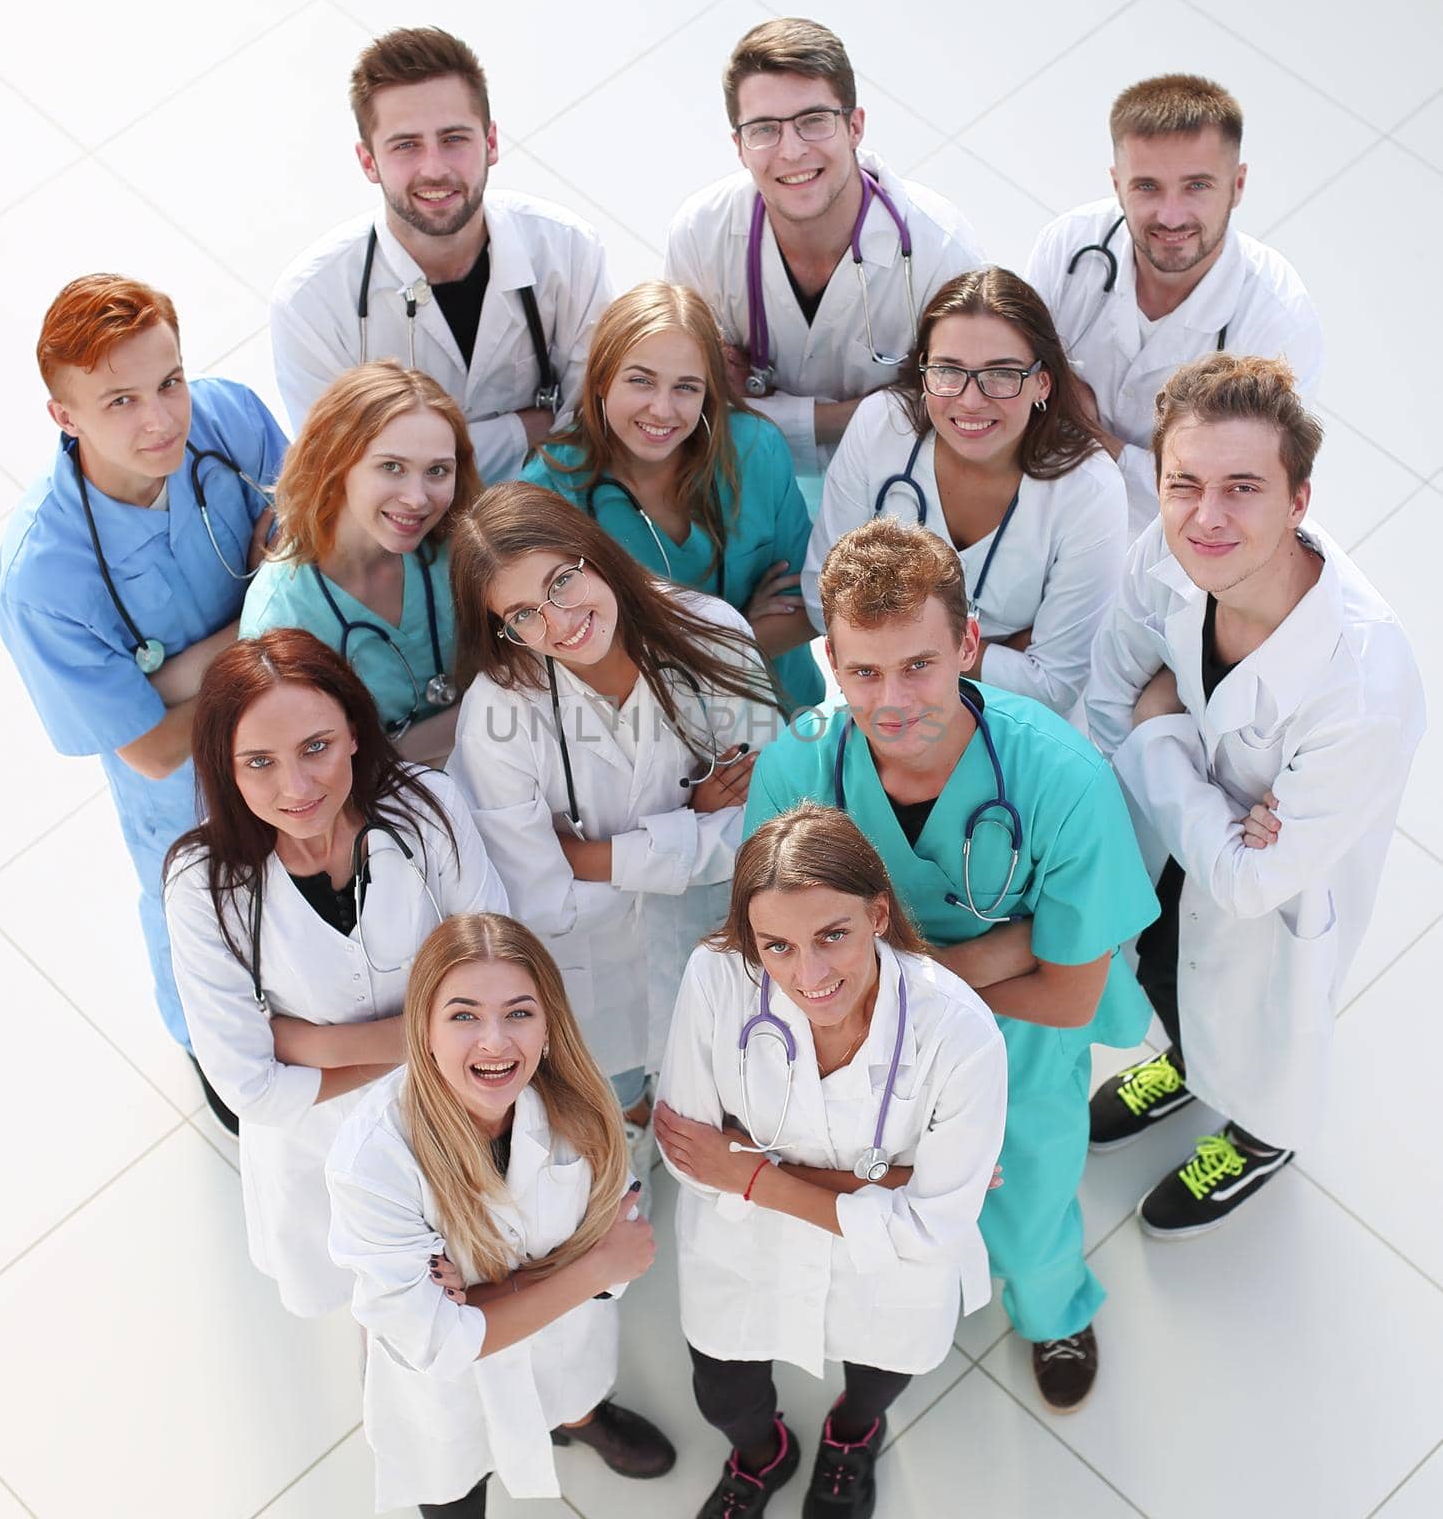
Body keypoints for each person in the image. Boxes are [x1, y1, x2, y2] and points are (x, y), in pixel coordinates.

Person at [744, 518, 1159, 1412]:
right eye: (863, 671)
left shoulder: (1061, 781)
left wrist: (900, 964)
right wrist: (1005, 942)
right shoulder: (801, 767)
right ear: (832, 660)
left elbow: (1067, 992)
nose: (893, 701)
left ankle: (1054, 1311)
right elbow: (775, 947)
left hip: (1019, 1045)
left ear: (968, 644)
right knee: (881, 1202)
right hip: (857, 1047)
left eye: (919, 665)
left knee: (1030, 1195)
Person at [1084, 355, 1424, 1237]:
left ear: (1299, 500)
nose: (1207, 517)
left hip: (1274, 916)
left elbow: (1247, 884)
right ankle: (1190, 1067)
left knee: (1267, 1033)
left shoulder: (1362, 679)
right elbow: (1111, 693)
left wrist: (1164, 737)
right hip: (1170, 855)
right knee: (1166, 972)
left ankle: (1262, 1137)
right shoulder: (1164, 550)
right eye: (1184, 484)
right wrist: (1210, 813)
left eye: (1243, 488)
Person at [0, 273, 286, 1131]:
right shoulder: (41, 580)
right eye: (120, 400)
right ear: (65, 417)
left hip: (306, 735)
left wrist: (176, 674)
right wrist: (263, 618)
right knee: (215, 936)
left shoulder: (225, 420)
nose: (161, 420)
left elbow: (309, 526)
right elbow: (153, 750)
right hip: (188, 800)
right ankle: (215, 1058)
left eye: (169, 382)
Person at [655, 805, 1006, 1519]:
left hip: (879, 1271)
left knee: (880, 1376)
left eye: (832, 936)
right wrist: (885, 1187)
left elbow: (930, 1232)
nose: (807, 974)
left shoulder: (961, 1033)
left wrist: (751, 1173)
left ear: (879, 915)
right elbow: (689, 1155)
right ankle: (764, 1456)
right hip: (742, 1247)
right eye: (776, 946)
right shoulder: (717, 978)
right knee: (724, 1395)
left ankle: (851, 1440)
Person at [163, 630, 506, 1315]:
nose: (296, 788)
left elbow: (498, 984)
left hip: (461, 1121)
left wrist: (310, 1043)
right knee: (376, 1315)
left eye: (315, 747)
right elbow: (249, 1090)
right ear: (224, 768)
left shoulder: (426, 809)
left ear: (354, 729)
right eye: (259, 762)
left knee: (491, 1292)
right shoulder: (202, 887)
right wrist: (432, 1039)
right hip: (320, 1156)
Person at [448, 483, 783, 1181]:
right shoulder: (497, 713)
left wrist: (596, 856)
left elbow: (768, 829)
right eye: (524, 615)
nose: (561, 620)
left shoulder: (711, 634)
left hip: (709, 939)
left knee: (713, 1074)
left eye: (562, 581)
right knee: (616, 1075)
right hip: (588, 969)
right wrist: (691, 823)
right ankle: (629, 1121)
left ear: (592, 552)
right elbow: (540, 902)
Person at [327, 912, 676, 1515]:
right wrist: (586, 1268)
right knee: (455, 1491)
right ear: (425, 1030)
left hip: (564, 1344)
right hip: (446, 1401)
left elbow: (621, 1253)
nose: (495, 1041)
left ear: (548, 1026)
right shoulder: (373, 1160)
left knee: (567, 1387)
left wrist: (488, 1300)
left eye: (519, 1012)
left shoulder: (583, 1109)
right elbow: (435, 1342)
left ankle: (579, 1416)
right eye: (463, 1015)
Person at [270, 25, 612, 485]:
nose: (434, 168)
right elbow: (342, 477)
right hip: (401, 549)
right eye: (406, 145)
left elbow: (595, 431)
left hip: (552, 514)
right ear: (368, 161)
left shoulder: (568, 250)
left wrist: (408, 457)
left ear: (490, 143)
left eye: (453, 138)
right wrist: (522, 429)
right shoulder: (310, 304)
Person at [666, 16, 983, 507]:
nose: (791, 151)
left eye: (813, 120)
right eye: (764, 129)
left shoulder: (941, 249)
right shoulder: (700, 232)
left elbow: (961, 404)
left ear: (854, 126)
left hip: (903, 473)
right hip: (741, 468)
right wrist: (891, 399)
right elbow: (688, 393)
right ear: (738, 146)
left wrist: (783, 414)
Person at [804, 267, 1126, 715]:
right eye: (948, 371)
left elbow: (1055, 685)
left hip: (1014, 725)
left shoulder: (1089, 487)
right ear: (923, 374)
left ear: (1043, 382)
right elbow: (820, 600)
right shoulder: (881, 427)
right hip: (883, 711)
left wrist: (892, 643)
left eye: (1001, 374)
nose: (971, 400)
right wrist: (982, 649)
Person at [1025, 73, 1323, 540]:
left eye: (1197, 186)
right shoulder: (1070, 244)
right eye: (1147, 187)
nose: (1170, 216)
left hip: (1168, 545)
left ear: (1238, 184)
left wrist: (1094, 438)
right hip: (1040, 493)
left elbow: (1240, 489)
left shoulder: (1275, 324)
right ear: (1116, 182)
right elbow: (1012, 373)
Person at [522, 279, 822, 713]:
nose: (662, 410)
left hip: (780, 714)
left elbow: (807, 607)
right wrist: (741, 634)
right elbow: (566, 654)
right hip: (643, 731)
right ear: (602, 379)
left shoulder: (756, 450)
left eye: (686, 387)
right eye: (641, 381)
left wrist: (682, 654)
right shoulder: (548, 491)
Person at [239, 361, 478, 765]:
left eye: (438, 471)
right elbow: (310, 771)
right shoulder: (280, 619)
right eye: (391, 467)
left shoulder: (458, 544)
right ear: (336, 463)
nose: (418, 498)